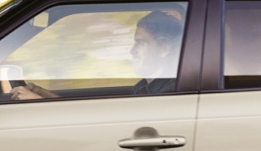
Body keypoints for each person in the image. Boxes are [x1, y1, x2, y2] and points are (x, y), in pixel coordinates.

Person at [10, 10, 184, 100]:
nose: (132, 51)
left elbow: (116, 126)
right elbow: (100, 114)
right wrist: (44, 95)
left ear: (164, 49)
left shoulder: (170, 92)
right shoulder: (144, 87)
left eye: (141, 42)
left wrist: (40, 104)